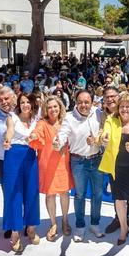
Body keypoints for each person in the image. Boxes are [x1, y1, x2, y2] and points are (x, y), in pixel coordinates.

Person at [54, 89, 104, 242]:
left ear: (92, 102)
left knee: (98, 194)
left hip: (96, 160)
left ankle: (95, 224)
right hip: (78, 162)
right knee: (80, 195)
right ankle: (80, 226)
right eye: (80, 102)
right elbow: (63, 134)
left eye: (87, 102)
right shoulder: (69, 118)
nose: (84, 105)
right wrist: (58, 143)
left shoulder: (98, 113)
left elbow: (104, 130)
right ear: (76, 102)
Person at [98, 92, 129, 245]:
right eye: (122, 106)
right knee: (119, 200)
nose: (125, 109)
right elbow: (106, 132)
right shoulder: (112, 120)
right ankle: (123, 228)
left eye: (128, 107)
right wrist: (104, 138)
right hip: (116, 169)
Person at [28, 95, 73, 242]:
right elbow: (37, 133)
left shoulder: (66, 122)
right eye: (50, 107)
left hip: (63, 163)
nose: (53, 109)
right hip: (47, 164)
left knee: (64, 193)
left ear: (60, 107)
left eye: (55, 106)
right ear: (45, 110)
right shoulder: (42, 123)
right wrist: (34, 135)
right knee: (50, 195)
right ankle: (53, 223)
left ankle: (65, 220)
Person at [0, 93, 41, 252]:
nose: (25, 104)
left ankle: (31, 228)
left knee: (32, 192)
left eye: (28, 102)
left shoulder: (36, 119)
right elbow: (9, 131)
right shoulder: (12, 117)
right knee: (14, 194)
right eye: (22, 102)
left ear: (32, 104)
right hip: (13, 155)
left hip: (30, 156)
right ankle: (15, 232)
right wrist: (7, 141)